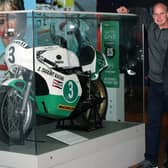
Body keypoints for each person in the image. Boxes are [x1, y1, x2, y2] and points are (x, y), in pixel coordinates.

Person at [136, 1, 168, 168]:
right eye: (155, 14)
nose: (158, 17)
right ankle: (151, 160)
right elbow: (142, 13)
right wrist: (126, 8)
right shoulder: (152, 26)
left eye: (161, 13)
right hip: (155, 85)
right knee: (153, 123)